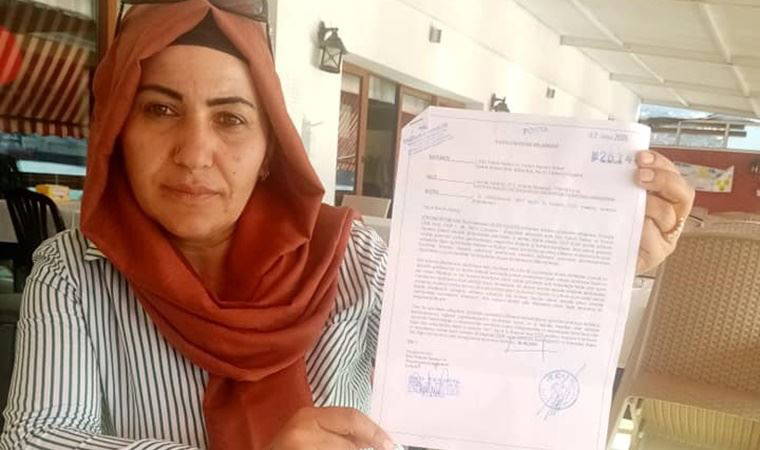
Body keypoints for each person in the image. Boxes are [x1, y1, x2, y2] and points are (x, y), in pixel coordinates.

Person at [0, 1, 694, 449]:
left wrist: (595, 265)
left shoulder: (352, 258)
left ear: (270, 148)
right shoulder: (75, 272)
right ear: (117, 131)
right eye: (159, 110)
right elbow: (37, 438)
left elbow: (479, 359)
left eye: (231, 118)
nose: (194, 152)